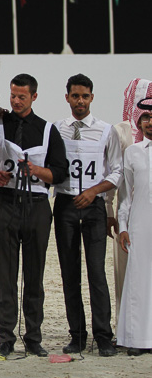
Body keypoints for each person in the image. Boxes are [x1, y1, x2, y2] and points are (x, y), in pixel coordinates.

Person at [0, 74, 67, 359]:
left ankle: (33, 337)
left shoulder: (47, 130)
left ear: (34, 97)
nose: (16, 101)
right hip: (5, 202)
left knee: (34, 275)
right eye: (13, 96)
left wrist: (37, 171)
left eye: (22, 97)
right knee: (6, 276)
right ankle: (6, 338)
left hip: (36, 205)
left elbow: (59, 172)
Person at [53, 74, 121, 357]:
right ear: (67, 97)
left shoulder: (106, 130)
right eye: (75, 96)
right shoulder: (57, 129)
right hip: (65, 204)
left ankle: (103, 336)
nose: (79, 101)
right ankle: (77, 335)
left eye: (84, 96)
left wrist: (94, 192)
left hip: (93, 206)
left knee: (96, 272)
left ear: (91, 97)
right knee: (69, 273)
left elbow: (116, 171)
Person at [107, 78, 152, 326]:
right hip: (127, 215)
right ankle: (125, 327)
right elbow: (113, 173)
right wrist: (108, 211)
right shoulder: (120, 131)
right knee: (125, 273)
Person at [117, 100, 152, 356]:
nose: (150, 122)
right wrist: (123, 226)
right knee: (139, 281)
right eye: (146, 117)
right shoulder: (132, 152)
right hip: (140, 224)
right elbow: (125, 195)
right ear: (139, 122)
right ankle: (137, 340)